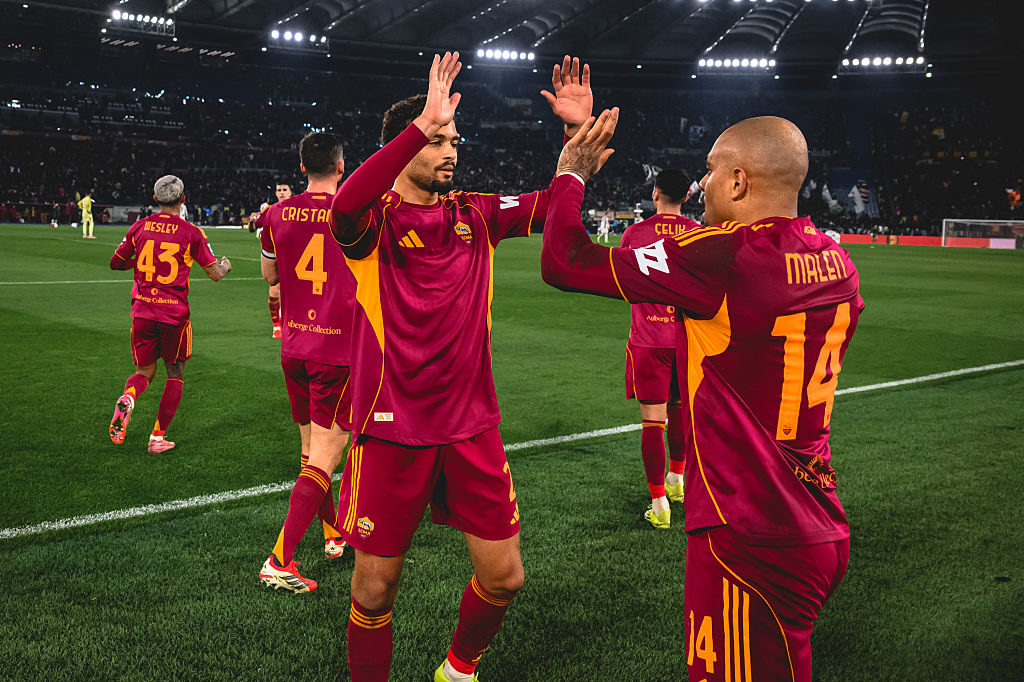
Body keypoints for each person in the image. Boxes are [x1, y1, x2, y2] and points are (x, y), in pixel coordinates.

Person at [541, 107, 862, 682]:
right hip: (818, 517)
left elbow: (564, 260)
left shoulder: (723, 255)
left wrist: (571, 172)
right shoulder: (837, 261)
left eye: (711, 171)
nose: (702, 183)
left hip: (750, 532)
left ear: (738, 181)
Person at [329, 52, 591, 682]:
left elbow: (553, 205)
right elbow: (344, 203)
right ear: (405, 144)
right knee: (373, 592)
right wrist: (422, 122)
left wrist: (574, 139)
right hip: (392, 431)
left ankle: (458, 669)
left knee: (505, 577)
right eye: (437, 140)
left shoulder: (475, 211)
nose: (451, 151)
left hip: (472, 427)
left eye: (454, 140)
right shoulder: (373, 223)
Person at [257, 133, 355, 591]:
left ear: (301, 168)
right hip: (336, 351)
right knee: (328, 455)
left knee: (311, 452)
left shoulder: (276, 214)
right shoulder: (351, 212)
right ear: (341, 167)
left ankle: (333, 535)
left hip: (295, 347)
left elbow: (270, 277)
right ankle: (280, 559)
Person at [108, 175, 232, 453]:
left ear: (155, 199)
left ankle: (129, 397)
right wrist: (225, 264)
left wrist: (140, 263)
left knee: (144, 371)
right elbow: (215, 273)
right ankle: (157, 438)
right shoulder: (192, 232)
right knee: (175, 374)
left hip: (142, 312)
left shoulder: (139, 227)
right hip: (173, 316)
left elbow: (115, 262)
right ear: (183, 199)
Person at [619, 169, 699, 529]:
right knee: (679, 409)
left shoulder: (635, 234)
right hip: (686, 339)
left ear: (655, 193)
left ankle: (659, 503)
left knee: (653, 422)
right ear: (686, 196)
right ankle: (677, 479)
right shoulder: (698, 233)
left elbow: (624, 284)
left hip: (648, 339)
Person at [249, 182, 293, 338]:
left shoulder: (297, 209)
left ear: (290, 192)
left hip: (294, 256)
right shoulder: (269, 210)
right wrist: (251, 222)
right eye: (279, 190)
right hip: (275, 256)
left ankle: (289, 323)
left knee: (293, 293)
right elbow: (253, 227)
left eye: (285, 190)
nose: (281, 192)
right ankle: (276, 326)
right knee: (275, 289)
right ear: (275, 193)